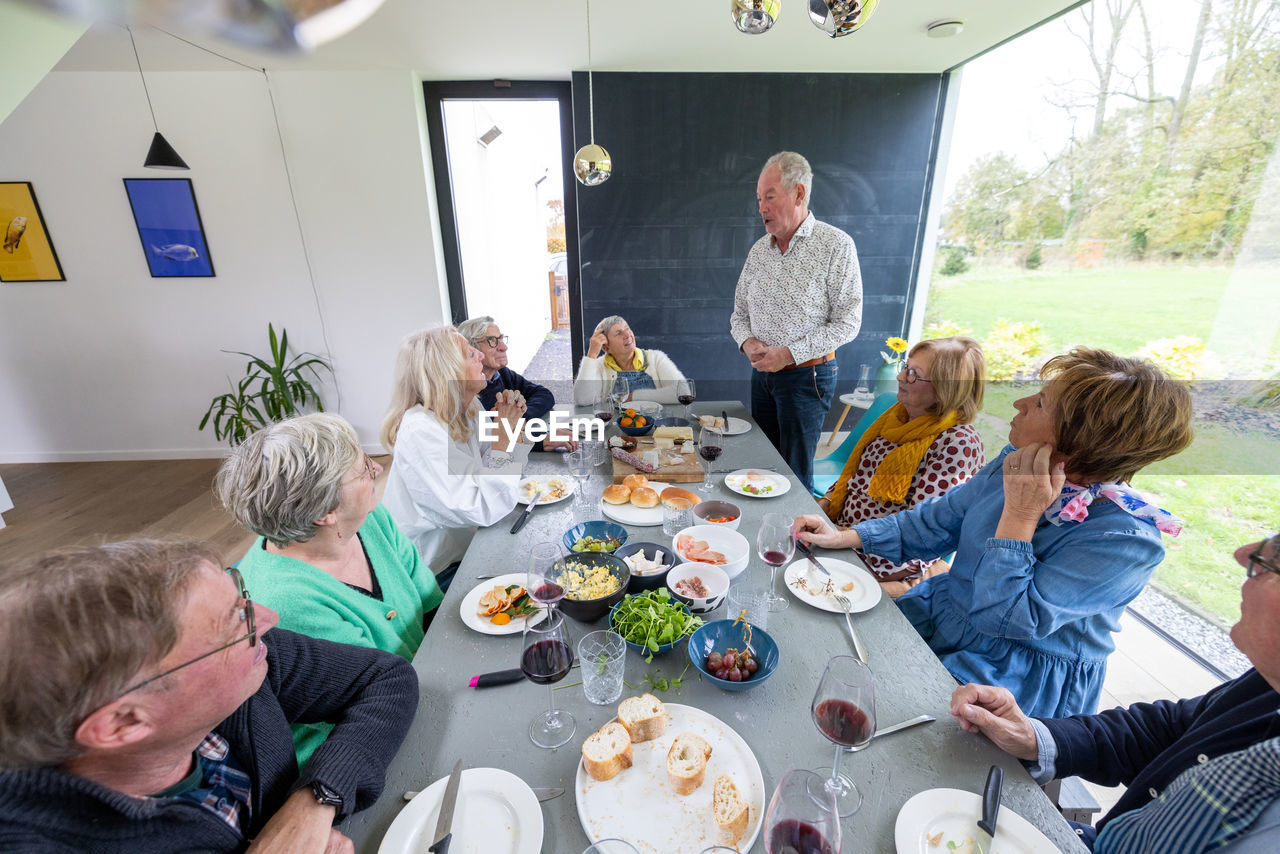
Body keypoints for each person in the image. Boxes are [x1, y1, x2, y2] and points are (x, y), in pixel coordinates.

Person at [796, 347, 1194, 718]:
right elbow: (937, 521)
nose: (1020, 404)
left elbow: (1005, 618)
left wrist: (1020, 515)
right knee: (823, 663)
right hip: (944, 614)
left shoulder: (1125, 540)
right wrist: (845, 536)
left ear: (1081, 439)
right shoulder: (1014, 462)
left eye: (1039, 403)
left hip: (1009, 672)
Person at [0, 539, 417, 854]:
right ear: (124, 722)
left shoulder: (243, 665)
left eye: (241, 600)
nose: (268, 619)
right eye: (234, 622)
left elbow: (386, 677)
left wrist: (314, 800)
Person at [950, 535, 1280, 852]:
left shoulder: (1125, 540)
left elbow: (1006, 613)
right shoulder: (1267, 686)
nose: (1244, 553)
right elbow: (1167, 730)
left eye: (1278, 552)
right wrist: (1034, 737)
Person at [214, 413, 443, 765]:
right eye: (364, 468)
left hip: (427, 685)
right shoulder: (285, 600)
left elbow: (429, 601)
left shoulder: (369, 518)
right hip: (365, 747)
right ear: (326, 512)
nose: (377, 471)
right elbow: (380, 694)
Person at [730, 151, 862, 493]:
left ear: (799, 194)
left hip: (807, 378)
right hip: (762, 376)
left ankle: (796, 541)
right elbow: (738, 314)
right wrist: (747, 342)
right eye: (759, 199)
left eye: (770, 197)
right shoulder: (759, 250)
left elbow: (849, 322)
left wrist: (788, 354)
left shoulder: (836, 246)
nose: (761, 208)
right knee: (760, 463)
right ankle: (761, 537)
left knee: (792, 474)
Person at [816, 337, 987, 597]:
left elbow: (921, 531)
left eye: (912, 375)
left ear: (946, 389)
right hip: (843, 531)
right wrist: (826, 503)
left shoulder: (958, 443)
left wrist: (843, 536)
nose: (899, 377)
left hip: (883, 559)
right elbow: (855, 477)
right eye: (906, 367)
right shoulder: (898, 415)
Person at [381, 326, 530, 572]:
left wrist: (512, 428)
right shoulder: (420, 430)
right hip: (437, 568)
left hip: (472, 540)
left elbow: (498, 475)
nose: (481, 356)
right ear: (445, 371)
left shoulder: (469, 409)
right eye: (471, 354)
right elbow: (481, 506)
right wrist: (504, 437)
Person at [458, 315, 575, 452]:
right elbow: (490, 442)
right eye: (492, 341)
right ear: (471, 350)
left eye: (501, 338)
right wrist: (541, 440)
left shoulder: (501, 374)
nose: (504, 347)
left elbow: (545, 395)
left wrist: (519, 418)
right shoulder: (469, 391)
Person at [573, 315, 689, 406]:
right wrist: (591, 355)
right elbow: (583, 399)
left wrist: (632, 397)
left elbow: (683, 392)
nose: (627, 334)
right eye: (618, 333)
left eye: (627, 329)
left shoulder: (656, 358)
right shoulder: (598, 366)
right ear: (606, 347)